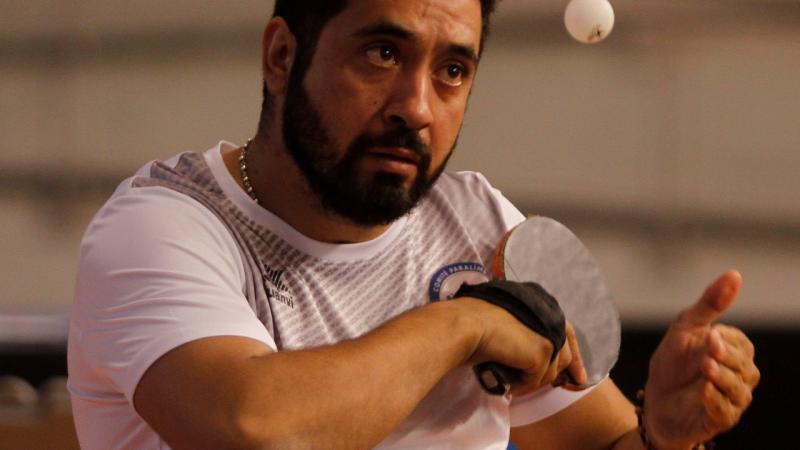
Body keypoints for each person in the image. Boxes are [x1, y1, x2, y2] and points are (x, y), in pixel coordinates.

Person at [67, 0, 760, 449]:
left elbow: (604, 446)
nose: (417, 107)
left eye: (452, 69)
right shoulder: (160, 227)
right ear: (282, 55)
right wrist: (464, 326)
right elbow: (253, 430)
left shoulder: (479, 222)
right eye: (383, 54)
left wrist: (666, 437)